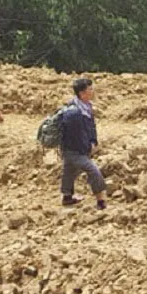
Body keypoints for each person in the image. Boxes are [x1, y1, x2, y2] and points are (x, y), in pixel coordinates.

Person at [61, 78, 107, 209]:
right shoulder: (73, 112)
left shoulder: (86, 106)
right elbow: (75, 135)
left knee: (69, 171)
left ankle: (67, 197)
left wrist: (93, 141)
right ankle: (101, 201)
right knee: (93, 171)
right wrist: (86, 147)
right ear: (82, 93)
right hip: (75, 150)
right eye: (90, 89)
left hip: (75, 150)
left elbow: (91, 127)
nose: (92, 91)